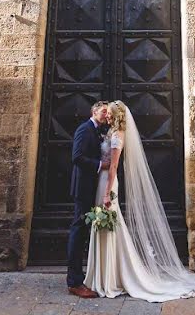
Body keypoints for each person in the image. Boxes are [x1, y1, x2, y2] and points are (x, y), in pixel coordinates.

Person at [83, 100, 195, 302]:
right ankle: (106, 274)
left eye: (110, 114)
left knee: (111, 226)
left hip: (108, 183)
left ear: (117, 116)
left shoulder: (117, 135)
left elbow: (114, 167)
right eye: (106, 114)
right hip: (102, 181)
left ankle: (111, 276)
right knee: (108, 226)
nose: (106, 116)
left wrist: (107, 194)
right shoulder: (110, 132)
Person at [66, 101, 112, 298]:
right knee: (78, 231)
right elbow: (77, 157)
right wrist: (101, 164)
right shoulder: (84, 129)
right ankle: (74, 282)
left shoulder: (100, 130)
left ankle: (84, 276)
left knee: (84, 231)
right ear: (94, 111)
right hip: (83, 189)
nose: (105, 115)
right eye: (103, 111)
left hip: (92, 188)